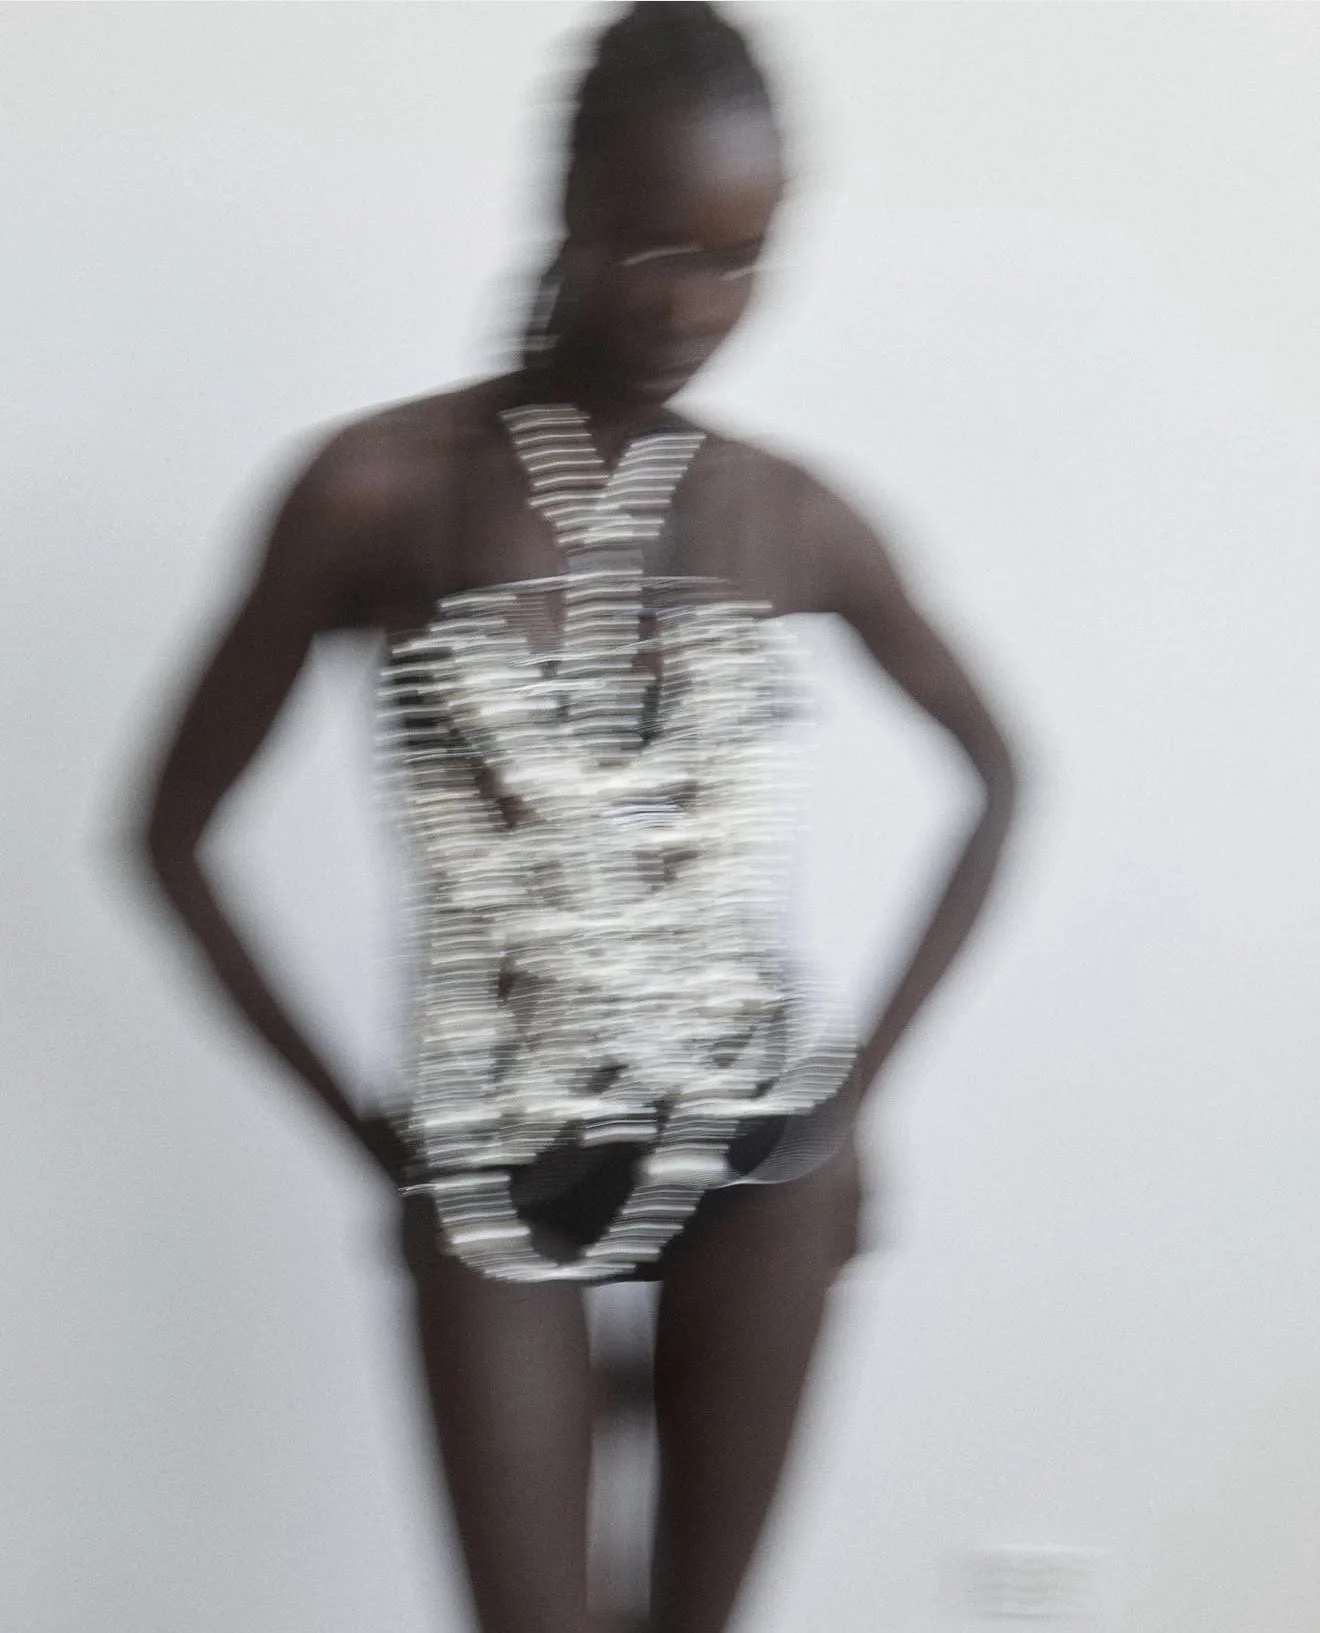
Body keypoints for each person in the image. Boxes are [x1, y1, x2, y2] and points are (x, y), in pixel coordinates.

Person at [136, 5, 1019, 1632]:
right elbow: (170, 832)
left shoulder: (787, 510)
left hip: (763, 1160)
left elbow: (1000, 775)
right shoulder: (381, 490)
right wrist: (367, 1136)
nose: (696, 306)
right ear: (565, 203)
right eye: (651, 246)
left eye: (742, 259)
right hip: (488, 1162)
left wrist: (858, 1097)